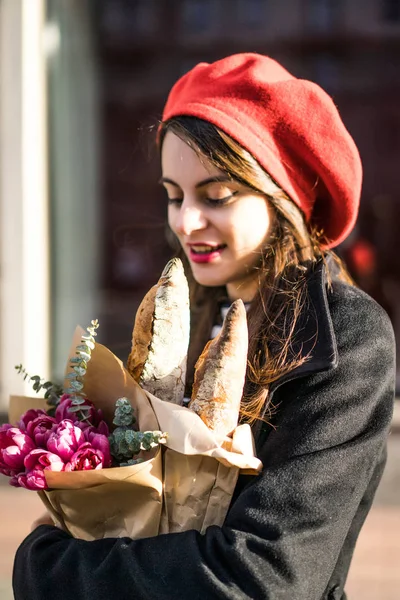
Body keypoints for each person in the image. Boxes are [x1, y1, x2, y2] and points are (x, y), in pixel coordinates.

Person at [13, 53, 395, 600]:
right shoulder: (183, 313)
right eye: (173, 196)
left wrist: (48, 565)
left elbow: (266, 574)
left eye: (216, 196)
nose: (185, 222)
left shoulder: (345, 337)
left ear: (284, 196)